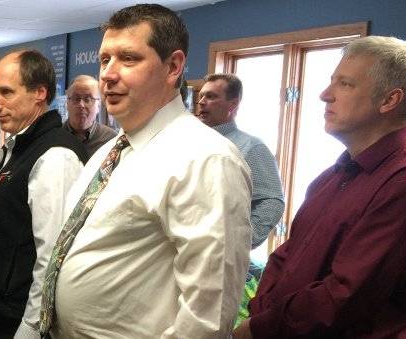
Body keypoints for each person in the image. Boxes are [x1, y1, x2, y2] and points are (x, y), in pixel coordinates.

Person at [37, 5, 251, 338]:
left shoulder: (205, 158)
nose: (108, 73)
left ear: (173, 66)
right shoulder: (109, 153)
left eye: (129, 59)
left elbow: (207, 314)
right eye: (105, 59)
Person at [235, 36, 406, 338]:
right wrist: (260, 313)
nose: (325, 95)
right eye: (331, 82)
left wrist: (260, 327)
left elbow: (348, 297)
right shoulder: (333, 176)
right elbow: (287, 256)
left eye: (345, 84)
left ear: (389, 100)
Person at [0, 49, 86, 339]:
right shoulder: (19, 147)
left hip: (22, 321)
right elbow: (5, 236)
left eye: (6, 92)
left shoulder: (55, 156)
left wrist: (30, 330)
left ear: (39, 93)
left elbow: (52, 257)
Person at [196, 73, 285, 249]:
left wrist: (240, 242)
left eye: (211, 96)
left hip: (219, 256)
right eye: (201, 96)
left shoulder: (251, 147)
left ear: (233, 104)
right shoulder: (188, 142)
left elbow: (271, 201)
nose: (201, 102)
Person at [63, 75, 117, 159]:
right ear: (67, 103)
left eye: (88, 99)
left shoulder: (111, 140)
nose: (81, 105)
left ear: (98, 105)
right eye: (76, 98)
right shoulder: (54, 136)